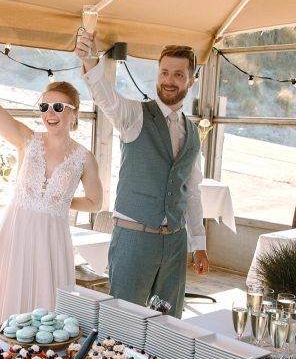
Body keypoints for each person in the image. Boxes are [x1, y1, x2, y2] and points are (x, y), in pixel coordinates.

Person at [0, 39, 103, 330]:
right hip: (16, 231)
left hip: (52, 239)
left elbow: (95, 202)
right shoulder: (27, 140)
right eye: (44, 106)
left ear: (74, 112)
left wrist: (62, 201)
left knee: (45, 309)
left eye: (57, 107)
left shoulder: (84, 157)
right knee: (9, 302)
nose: (49, 113)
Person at [75, 33, 209, 318]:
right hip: (134, 239)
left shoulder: (193, 133)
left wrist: (199, 244)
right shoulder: (134, 115)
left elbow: (192, 191)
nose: (169, 80)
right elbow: (106, 98)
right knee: (123, 322)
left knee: (169, 324)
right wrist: (89, 61)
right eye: (163, 72)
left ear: (191, 80)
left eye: (177, 74)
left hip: (174, 242)